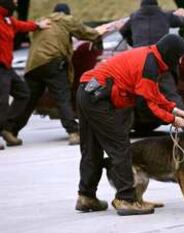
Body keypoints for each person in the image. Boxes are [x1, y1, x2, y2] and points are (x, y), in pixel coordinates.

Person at [75, 34, 184, 216]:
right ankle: (126, 199)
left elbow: (153, 94)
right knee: (121, 146)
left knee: (92, 148)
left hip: (87, 91)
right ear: (170, 54)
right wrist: (172, 119)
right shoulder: (150, 66)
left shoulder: (149, 58)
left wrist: (174, 110)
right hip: (99, 95)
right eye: (179, 56)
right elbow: (151, 104)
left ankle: (86, 197)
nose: (179, 61)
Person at [3, 3, 110, 146]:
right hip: (52, 62)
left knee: (29, 100)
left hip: (33, 65)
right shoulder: (65, 19)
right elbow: (84, 32)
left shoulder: (43, 20)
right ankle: (73, 133)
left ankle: (10, 130)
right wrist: (98, 33)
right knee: (62, 98)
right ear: (66, 13)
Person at [119, 0, 184, 134]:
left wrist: (132, 43)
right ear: (156, 3)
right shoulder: (165, 15)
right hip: (161, 59)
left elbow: (123, 31)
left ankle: (121, 131)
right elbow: (179, 22)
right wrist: (182, 13)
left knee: (135, 95)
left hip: (138, 61)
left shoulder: (134, 17)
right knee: (170, 94)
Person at [0, 0, 50, 149]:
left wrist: (37, 26)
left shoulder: (8, 20)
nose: (16, 2)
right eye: (13, 0)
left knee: (23, 93)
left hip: (7, 68)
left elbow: (21, 26)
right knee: (1, 102)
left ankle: (6, 128)